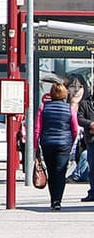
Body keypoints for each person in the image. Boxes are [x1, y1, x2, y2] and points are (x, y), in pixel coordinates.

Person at [35, 81, 77, 210]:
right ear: (65, 94)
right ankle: (57, 200)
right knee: (60, 172)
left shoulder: (43, 107)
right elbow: (74, 128)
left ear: (51, 94)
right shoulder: (70, 108)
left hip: (47, 143)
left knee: (51, 171)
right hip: (64, 144)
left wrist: (36, 145)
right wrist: (71, 141)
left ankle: (53, 199)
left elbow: (38, 127)